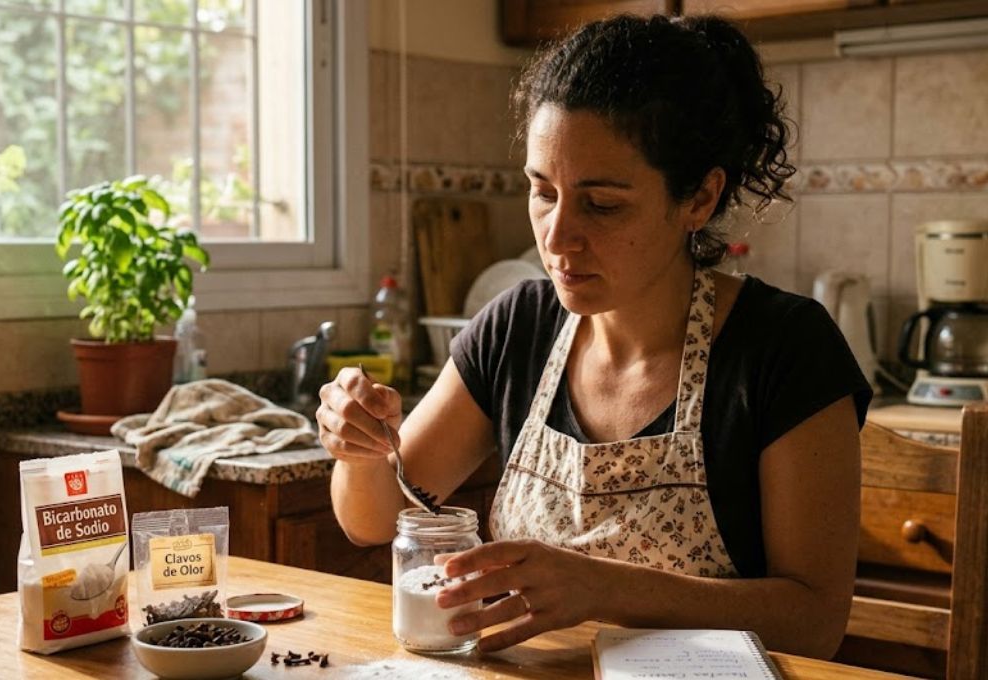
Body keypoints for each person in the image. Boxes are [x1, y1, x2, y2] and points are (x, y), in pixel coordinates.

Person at [318, 13, 871, 660]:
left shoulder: (784, 350)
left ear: (698, 198)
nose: (554, 238)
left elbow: (814, 622)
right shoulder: (517, 328)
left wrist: (603, 588)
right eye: (542, 192)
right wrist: (358, 451)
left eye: (601, 203)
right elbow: (374, 520)